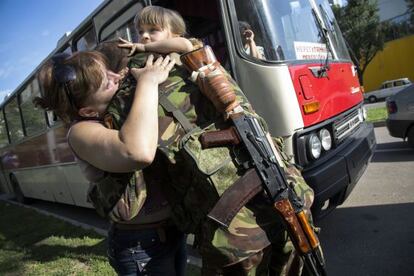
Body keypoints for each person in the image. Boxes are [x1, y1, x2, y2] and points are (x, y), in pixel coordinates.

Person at [98, 5, 318, 275]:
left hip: (271, 195)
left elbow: (187, 44)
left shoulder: (197, 61)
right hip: (228, 226)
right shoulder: (133, 88)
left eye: (153, 31)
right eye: (139, 32)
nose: (143, 37)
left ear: (174, 34)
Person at [35, 51, 188, 275]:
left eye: (110, 71)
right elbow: (137, 152)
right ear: (87, 110)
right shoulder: (80, 132)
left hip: (172, 230)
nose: (117, 77)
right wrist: (148, 82)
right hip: (142, 246)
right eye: (107, 82)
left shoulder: (119, 110)